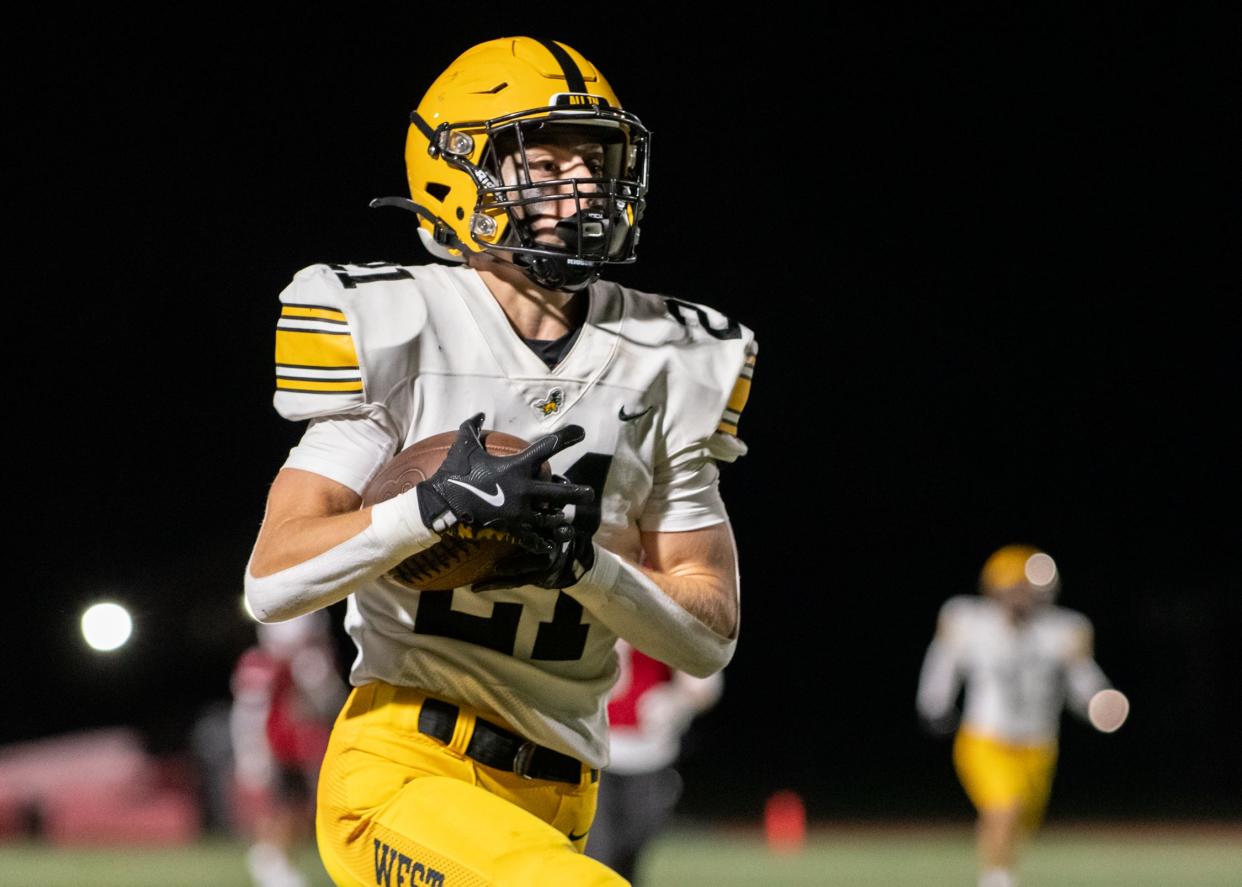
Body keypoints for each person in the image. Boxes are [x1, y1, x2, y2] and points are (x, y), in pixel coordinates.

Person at [243, 36, 757, 887]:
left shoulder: (672, 355)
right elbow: (272, 579)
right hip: (403, 769)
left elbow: (707, 633)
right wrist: (431, 510)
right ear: (459, 173)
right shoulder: (399, 326)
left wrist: (584, 563)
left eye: (595, 161)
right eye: (546, 163)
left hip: (562, 791)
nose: (585, 186)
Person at [916, 544, 1130, 887]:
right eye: (1017, 588)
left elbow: (1081, 679)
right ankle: (996, 880)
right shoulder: (970, 621)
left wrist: (1099, 701)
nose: (1024, 597)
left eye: (1031, 589)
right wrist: (933, 703)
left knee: (1017, 822)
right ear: (996, 588)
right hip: (985, 738)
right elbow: (943, 661)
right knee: (1004, 808)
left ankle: (998, 869)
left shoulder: (1063, 629)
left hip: (1039, 745)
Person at [585, 640, 723, 883]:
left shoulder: (662, 612)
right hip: (594, 750)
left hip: (650, 753)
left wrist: (679, 700)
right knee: (598, 850)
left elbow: (703, 682)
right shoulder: (593, 607)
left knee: (634, 844)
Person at [230, 611, 347, 887]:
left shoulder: (311, 663)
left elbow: (329, 703)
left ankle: (275, 859)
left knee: (302, 810)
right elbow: (249, 713)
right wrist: (251, 752)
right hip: (274, 747)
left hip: (300, 746)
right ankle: (268, 860)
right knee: (279, 808)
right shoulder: (260, 664)